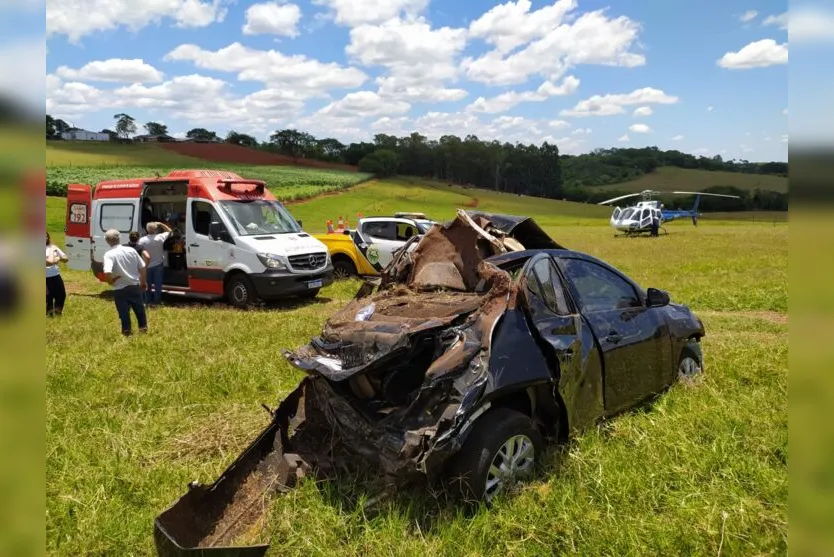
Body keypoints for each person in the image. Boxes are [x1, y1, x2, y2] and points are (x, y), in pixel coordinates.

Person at [102, 228, 147, 336]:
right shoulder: (131, 250)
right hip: (134, 285)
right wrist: (143, 282)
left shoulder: (109, 254)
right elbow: (143, 267)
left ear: (107, 241)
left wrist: (110, 281)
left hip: (120, 288)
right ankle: (143, 328)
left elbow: (107, 271)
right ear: (120, 238)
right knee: (139, 308)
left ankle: (127, 331)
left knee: (123, 311)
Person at [138, 221, 171, 306]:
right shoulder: (160, 237)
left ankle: (148, 300)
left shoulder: (142, 240)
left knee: (147, 284)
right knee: (158, 285)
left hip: (147, 265)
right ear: (156, 229)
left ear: (146, 230)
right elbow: (170, 231)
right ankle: (157, 301)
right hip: (158, 265)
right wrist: (161, 224)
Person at [46, 232, 68, 316]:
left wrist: (59, 258)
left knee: (61, 294)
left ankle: (58, 312)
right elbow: (48, 263)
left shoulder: (53, 247)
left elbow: (65, 258)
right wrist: (55, 259)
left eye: (46, 236)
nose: (45, 238)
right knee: (48, 296)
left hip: (55, 275)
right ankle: (49, 314)